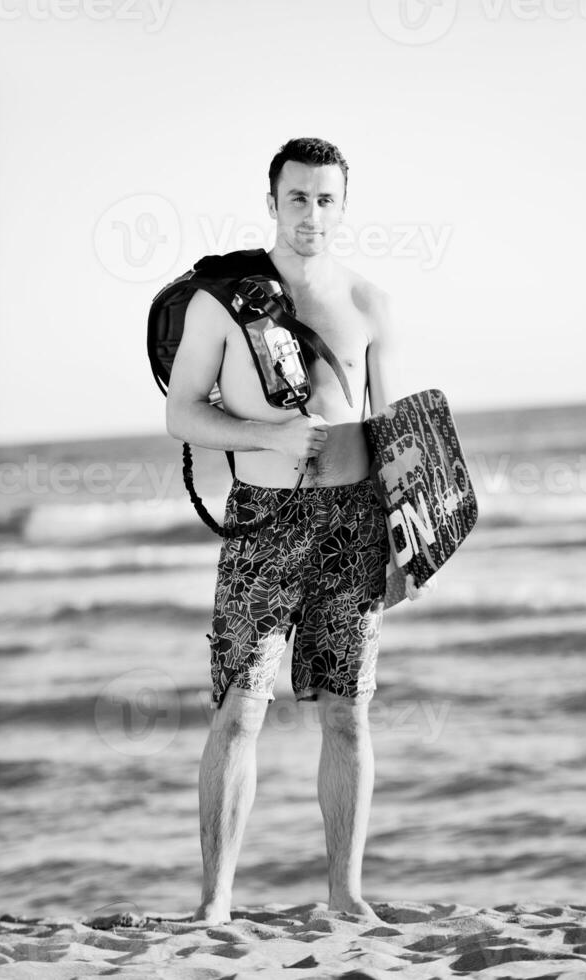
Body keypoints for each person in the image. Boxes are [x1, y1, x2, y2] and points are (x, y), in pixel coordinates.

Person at [165, 137, 431, 926]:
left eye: (325, 199)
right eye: (297, 198)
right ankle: (215, 902)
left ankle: (346, 896)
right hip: (263, 520)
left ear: (342, 208)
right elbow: (182, 411)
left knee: (348, 713)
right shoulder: (225, 299)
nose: (310, 214)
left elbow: (396, 433)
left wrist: (406, 541)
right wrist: (271, 439)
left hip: (354, 526)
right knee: (240, 709)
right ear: (271, 202)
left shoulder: (371, 304)